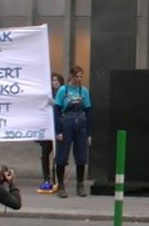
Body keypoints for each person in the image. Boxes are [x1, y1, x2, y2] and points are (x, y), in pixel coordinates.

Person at [53, 66, 92, 198]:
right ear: (71, 76)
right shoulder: (63, 90)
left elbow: (88, 112)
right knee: (62, 156)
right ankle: (61, 186)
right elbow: (57, 111)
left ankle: (80, 186)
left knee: (81, 156)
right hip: (66, 123)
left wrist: (89, 133)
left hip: (81, 123)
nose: (79, 79)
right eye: (77, 76)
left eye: (81, 76)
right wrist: (58, 131)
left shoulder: (84, 91)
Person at [36, 73, 64, 193]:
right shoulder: (48, 94)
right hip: (47, 127)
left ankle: (56, 177)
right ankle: (46, 178)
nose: (54, 82)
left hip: (59, 127)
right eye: (52, 80)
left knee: (58, 155)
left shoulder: (63, 93)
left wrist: (55, 104)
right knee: (45, 154)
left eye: (56, 80)